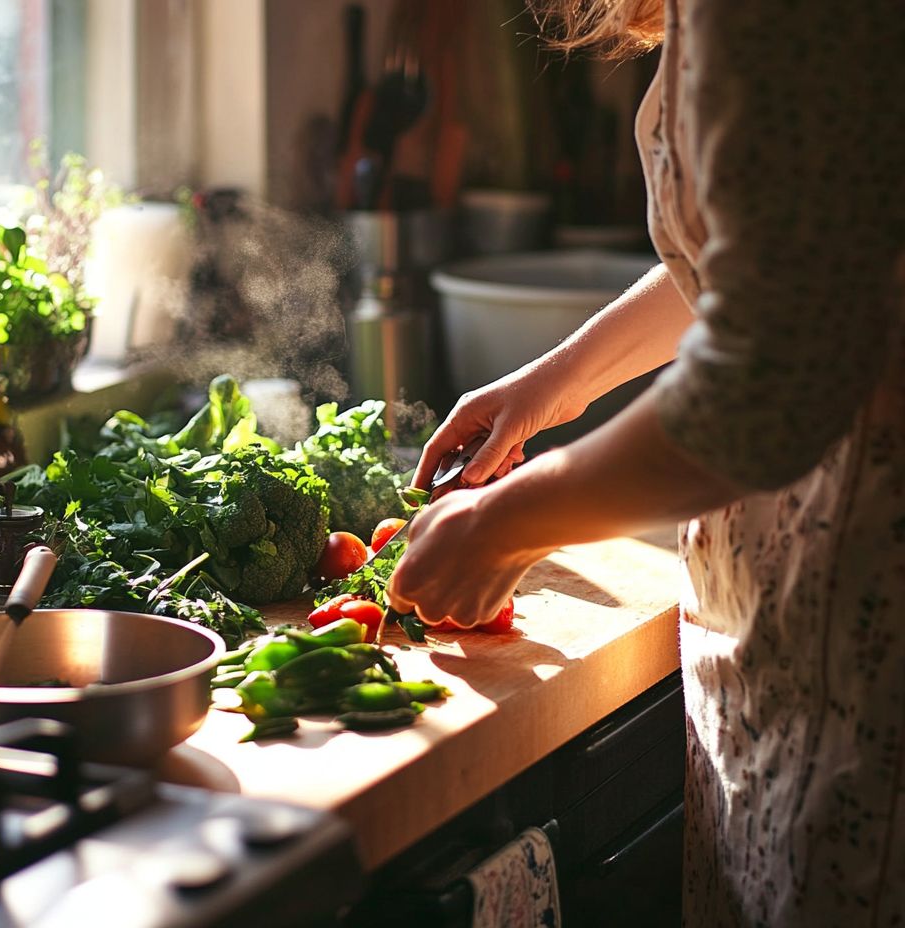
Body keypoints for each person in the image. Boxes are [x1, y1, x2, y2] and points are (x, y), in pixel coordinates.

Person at [386, 0, 904, 924]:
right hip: (790, 635)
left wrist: (509, 521)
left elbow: (768, 379)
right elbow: (770, 249)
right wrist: (560, 380)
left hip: (865, 640)